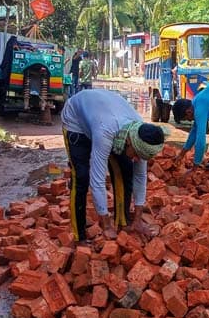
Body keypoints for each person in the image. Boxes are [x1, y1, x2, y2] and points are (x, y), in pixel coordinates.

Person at [61, 89, 167, 242]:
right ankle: (80, 237)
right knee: (82, 177)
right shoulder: (106, 132)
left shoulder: (141, 135)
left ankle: (123, 223)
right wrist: (105, 225)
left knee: (126, 170)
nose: (137, 159)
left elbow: (140, 177)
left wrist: (138, 218)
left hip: (103, 114)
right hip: (76, 120)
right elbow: (97, 180)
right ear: (130, 142)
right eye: (136, 154)